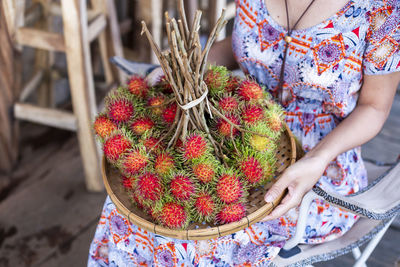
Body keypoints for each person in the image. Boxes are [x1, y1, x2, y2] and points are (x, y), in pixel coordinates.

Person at [88, 0, 400, 266]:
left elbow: (374, 107)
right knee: (133, 212)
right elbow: (239, 46)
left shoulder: (382, 10)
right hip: (234, 128)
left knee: (205, 242)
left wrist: (317, 160)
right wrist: (182, 72)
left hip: (318, 164)